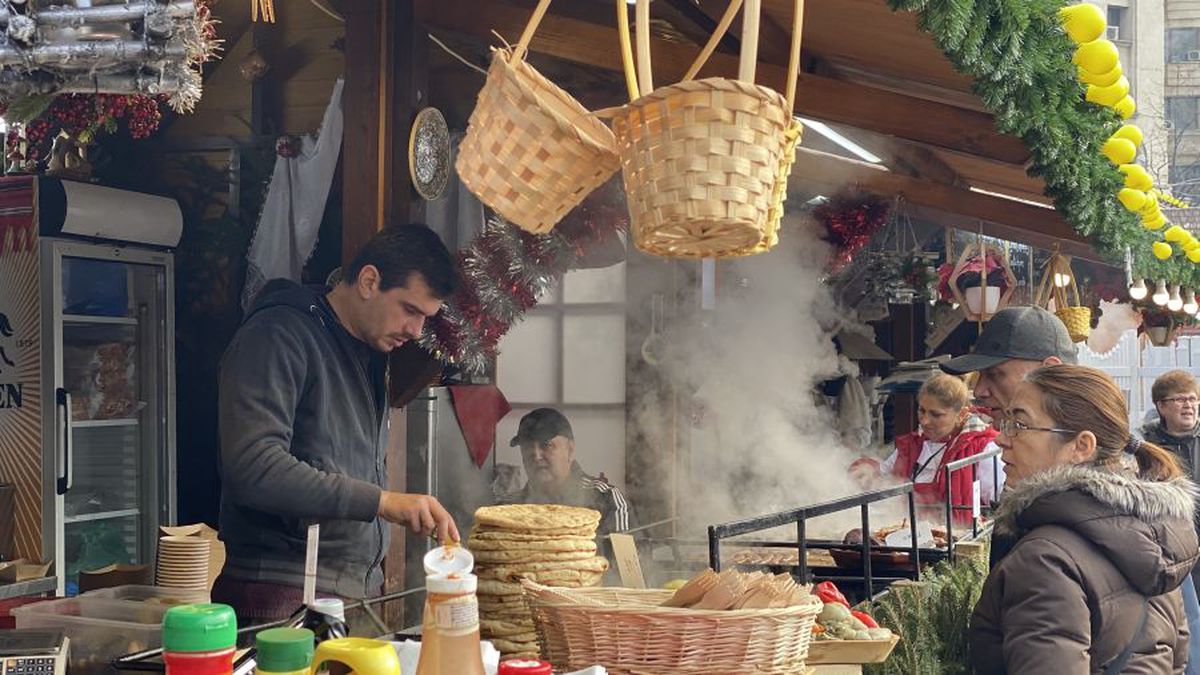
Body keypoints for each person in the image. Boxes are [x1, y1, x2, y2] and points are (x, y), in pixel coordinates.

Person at [214, 224, 462, 622]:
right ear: (368, 280)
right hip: (281, 595)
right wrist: (381, 501)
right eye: (410, 310)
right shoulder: (278, 334)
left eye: (425, 318)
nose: (416, 331)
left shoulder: (367, 350)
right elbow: (253, 466)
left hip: (348, 593)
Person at [969, 365, 1198, 674]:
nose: (1001, 438)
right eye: (1006, 421)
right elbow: (1176, 661)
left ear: (1081, 447)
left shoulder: (1045, 560)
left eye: (1019, 424)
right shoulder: (1152, 532)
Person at [859, 374, 1004, 521]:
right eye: (922, 411)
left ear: (962, 414)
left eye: (936, 414)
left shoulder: (983, 449)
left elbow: (1002, 500)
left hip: (957, 538)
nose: (925, 421)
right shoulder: (911, 446)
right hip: (905, 532)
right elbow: (883, 479)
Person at [509, 408, 633, 542]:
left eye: (546, 445)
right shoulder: (509, 509)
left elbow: (626, 559)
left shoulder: (607, 499)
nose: (536, 455)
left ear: (570, 450)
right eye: (527, 447)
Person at [940, 305, 1078, 420]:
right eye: (980, 375)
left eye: (994, 374)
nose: (979, 391)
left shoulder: (1087, 448)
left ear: (1050, 372)